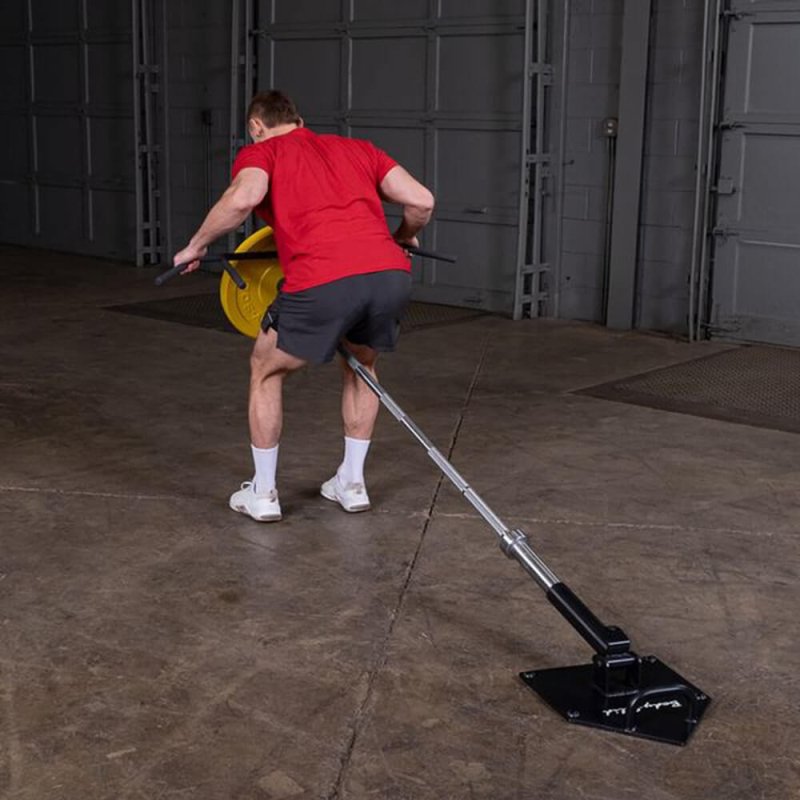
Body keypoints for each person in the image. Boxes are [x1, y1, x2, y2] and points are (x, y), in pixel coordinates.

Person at [173, 90, 435, 522]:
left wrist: (196, 246)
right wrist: (404, 236)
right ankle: (351, 484)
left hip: (323, 279)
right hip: (389, 276)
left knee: (267, 368)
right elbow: (421, 200)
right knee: (361, 368)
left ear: (256, 127)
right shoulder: (357, 149)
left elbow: (242, 199)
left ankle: (263, 493)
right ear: (299, 119)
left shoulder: (264, 153)